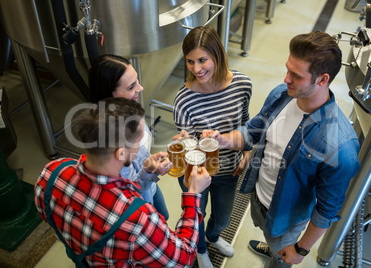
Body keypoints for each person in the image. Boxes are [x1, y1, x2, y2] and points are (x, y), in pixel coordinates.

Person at [202, 31, 360, 267]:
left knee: (282, 257)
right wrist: (223, 140)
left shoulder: (340, 144)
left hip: (285, 221)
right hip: (258, 199)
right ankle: (273, 246)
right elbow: (253, 130)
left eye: (296, 75)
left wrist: (300, 249)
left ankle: (278, 254)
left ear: (322, 79)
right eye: (287, 69)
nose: (286, 79)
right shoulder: (281, 95)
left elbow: (327, 210)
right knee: (271, 239)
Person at [34, 97, 211, 267]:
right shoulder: (139, 219)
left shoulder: (51, 172)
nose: (140, 147)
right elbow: (183, 258)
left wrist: (146, 172)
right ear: (120, 153)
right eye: (138, 142)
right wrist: (193, 193)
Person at [173, 25, 252, 268]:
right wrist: (185, 144)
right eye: (190, 61)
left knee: (223, 218)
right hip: (197, 172)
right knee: (197, 214)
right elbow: (187, 146)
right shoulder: (184, 100)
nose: (196, 69)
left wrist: (247, 151)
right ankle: (201, 249)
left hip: (229, 169)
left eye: (203, 60)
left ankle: (213, 237)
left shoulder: (242, 85)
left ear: (217, 54)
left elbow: (246, 123)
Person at [89, 54, 169, 220]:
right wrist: (148, 170)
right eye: (132, 86)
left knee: (164, 216)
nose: (140, 88)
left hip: (149, 183)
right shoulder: (110, 140)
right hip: (139, 197)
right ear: (110, 93)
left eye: (137, 81)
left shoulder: (128, 109)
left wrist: (149, 163)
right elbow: (130, 190)